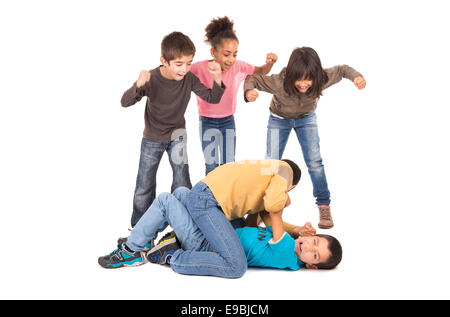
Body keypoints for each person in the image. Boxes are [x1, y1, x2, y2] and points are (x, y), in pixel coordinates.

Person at [99, 158, 302, 278]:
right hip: (208, 200)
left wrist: (296, 230)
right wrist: (284, 199)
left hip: (204, 191)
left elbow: (269, 222)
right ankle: (132, 250)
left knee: (179, 193)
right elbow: (274, 206)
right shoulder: (284, 171)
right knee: (164, 201)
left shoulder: (265, 175)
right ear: (291, 186)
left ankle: (143, 239)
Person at [244, 47, 367, 229]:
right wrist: (249, 92)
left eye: (308, 79)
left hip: (306, 119)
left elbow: (342, 70)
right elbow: (252, 78)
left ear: (316, 76)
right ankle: (260, 208)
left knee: (315, 162)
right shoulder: (279, 81)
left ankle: (324, 205)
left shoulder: (322, 78)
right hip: (279, 119)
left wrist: (356, 77)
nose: (303, 84)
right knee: (271, 162)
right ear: (291, 75)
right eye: (298, 79)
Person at [98, 186, 342, 275]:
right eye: (315, 242)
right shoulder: (289, 242)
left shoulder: (288, 254)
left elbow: (273, 213)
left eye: (315, 254)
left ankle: (132, 250)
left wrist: (278, 193)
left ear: (311, 265)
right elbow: (257, 224)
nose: (309, 247)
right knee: (183, 193)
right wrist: (299, 228)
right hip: (217, 233)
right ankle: (151, 238)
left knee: (165, 200)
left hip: (206, 244)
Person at [120, 31, 226, 228]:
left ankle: (183, 225)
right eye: (179, 64)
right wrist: (138, 85)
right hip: (152, 138)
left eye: (189, 63)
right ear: (164, 61)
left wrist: (217, 77)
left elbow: (213, 97)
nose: (184, 69)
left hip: (178, 136)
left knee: (182, 182)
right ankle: (139, 229)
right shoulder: (151, 78)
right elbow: (124, 102)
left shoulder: (189, 78)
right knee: (145, 185)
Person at [190, 16, 278, 175]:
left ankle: (226, 199)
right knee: (211, 166)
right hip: (206, 121)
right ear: (213, 52)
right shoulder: (200, 67)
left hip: (228, 122)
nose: (231, 60)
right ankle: (211, 198)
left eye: (235, 54)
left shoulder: (239, 66)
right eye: (226, 54)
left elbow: (260, 71)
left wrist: (270, 64)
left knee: (229, 166)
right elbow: (180, 72)